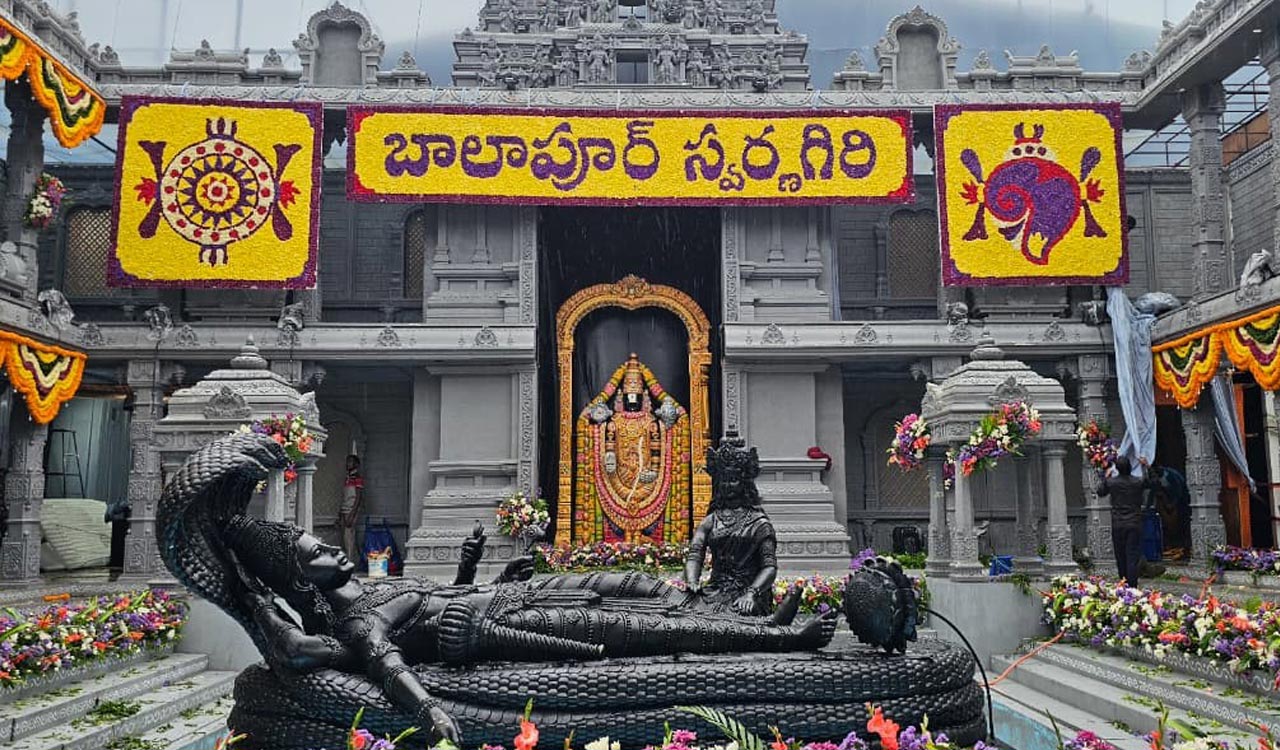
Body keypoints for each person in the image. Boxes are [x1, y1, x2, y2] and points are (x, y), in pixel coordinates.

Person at [1096, 456, 1157, 588]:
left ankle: (1123, 584)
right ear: (1130, 467)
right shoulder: (1137, 482)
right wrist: (1147, 466)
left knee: (1121, 556)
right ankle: (1132, 586)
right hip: (1134, 522)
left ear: (1117, 469)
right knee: (1132, 556)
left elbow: (1100, 492)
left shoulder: (1112, 483)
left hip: (1118, 523)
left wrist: (1105, 477)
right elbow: (1154, 482)